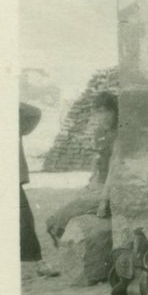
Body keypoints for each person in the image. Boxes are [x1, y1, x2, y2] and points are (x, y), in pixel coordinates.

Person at [45, 91, 119, 245]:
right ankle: (56, 228)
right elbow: (99, 161)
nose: (101, 117)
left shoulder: (120, 134)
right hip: (100, 185)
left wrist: (104, 199)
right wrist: (92, 181)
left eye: (105, 111)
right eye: (98, 112)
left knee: (73, 209)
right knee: (76, 203)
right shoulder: (102, 133)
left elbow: (114, 168)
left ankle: (55, 228)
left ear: (114, 111)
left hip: (112, 188)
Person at [19, 102, 59, 277]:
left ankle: (38, 262)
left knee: (25, 220)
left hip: (11, 180)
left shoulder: (11, 121)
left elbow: (34, 112)